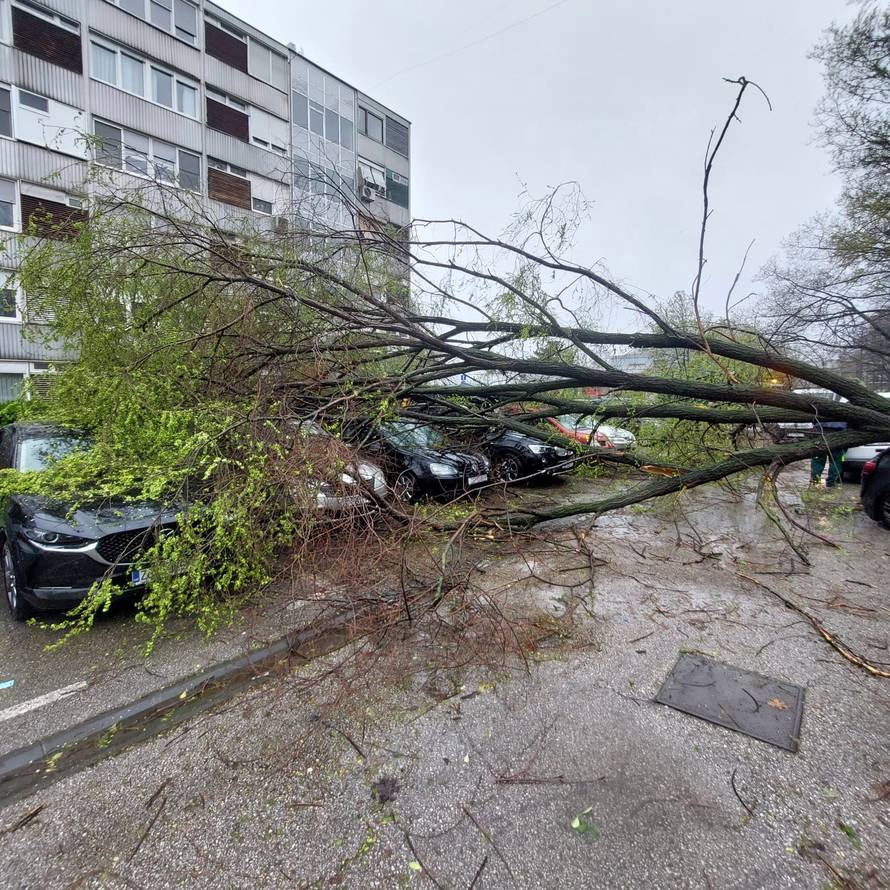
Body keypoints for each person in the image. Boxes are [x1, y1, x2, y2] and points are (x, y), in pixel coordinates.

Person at [810, 418, 848, 487]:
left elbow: (813, 416)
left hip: (820, 430)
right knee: (836, 460)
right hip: (839, 432)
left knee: (818, 459)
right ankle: (831, 483)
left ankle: (815, 482)